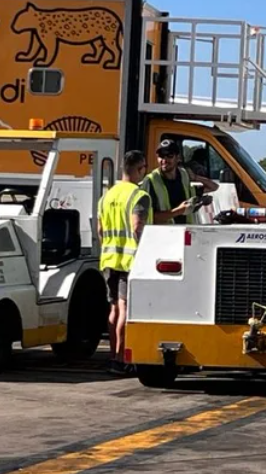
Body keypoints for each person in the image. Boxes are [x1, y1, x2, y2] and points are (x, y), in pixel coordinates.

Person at [97, 150, 150, 374]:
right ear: (139, 169)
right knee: (125, 308)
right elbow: (138, 226)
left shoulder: (107, 196)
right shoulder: (139, 196)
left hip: (109, 258)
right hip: (130, 260)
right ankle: (122, 358)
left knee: (113, 309)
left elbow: (99, 229)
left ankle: (112, 355)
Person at [141, 138, 220, 224]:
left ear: (178, 158)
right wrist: (179, 210)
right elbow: (147, 217)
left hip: (185, 232)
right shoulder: (151, 180)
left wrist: (196, 178)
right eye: (161, 156)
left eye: (169, 155)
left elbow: (214, 187)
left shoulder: (183, 175)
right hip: (162, 234)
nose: (164, 160)